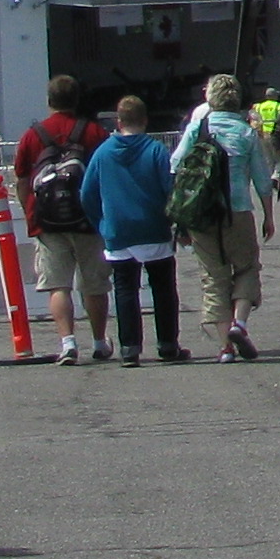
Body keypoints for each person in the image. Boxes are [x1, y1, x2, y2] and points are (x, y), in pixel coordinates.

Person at [14, 73, 117, 362]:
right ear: (76, 100)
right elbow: (104, 177)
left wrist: (29, 212)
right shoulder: (94, 133)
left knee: (58, 285)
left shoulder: (33, 135)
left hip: (47, 222)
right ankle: (98, 342)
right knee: (94, 285)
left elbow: (22, 179)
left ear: (49, 101)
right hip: (87, 220)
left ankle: (68, 343)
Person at [174, 74, 275, 357]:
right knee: (246, 267)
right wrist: (268, 216)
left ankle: (224, 347)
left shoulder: (197, 128)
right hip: (238, 210)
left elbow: (175, 163)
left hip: (203, 213)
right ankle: (240, 323)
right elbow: (262, 179)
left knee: (213, 276)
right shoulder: (246, 132)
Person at [84, 93, 186, 365]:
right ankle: (167, 344)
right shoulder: (155, 150)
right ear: (145, 120)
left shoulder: (102, 152)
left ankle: (130, 348)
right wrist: (175, 221)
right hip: (153, 227)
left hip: (118, 231)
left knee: (125, 289)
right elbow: (170, 191)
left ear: (118, 121)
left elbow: (86, 193)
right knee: (163, 288)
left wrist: (101, 223)